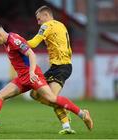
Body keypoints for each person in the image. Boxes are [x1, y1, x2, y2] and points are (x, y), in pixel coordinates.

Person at [0, 21, 93, 132]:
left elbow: (31, 54)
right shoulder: (6, 43)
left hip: (32, 76)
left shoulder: (14, 40)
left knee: (52, 98)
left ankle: (83, 114)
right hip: (22, 78)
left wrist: (32, 72)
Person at [27, 6, 87, 134]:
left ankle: (70, 123)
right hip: (57, 67)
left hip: (61, 67)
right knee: (34, 94)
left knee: (52, 98)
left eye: (39, 19)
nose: (38, 22)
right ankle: (64, 111)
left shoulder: (47, 25)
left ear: (46, 15)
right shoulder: (61, 25)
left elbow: (33, 43)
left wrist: (16, 42)